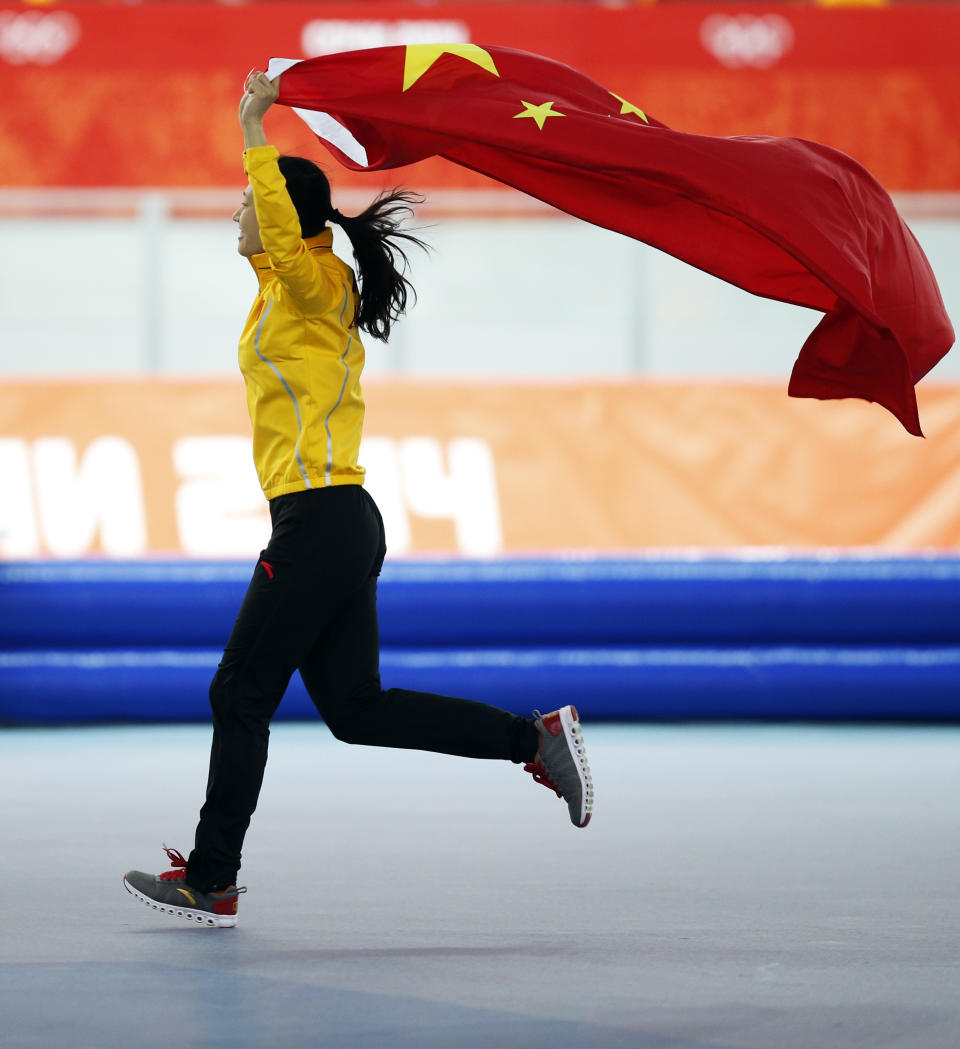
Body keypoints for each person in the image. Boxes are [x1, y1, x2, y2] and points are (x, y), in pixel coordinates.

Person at [122, 71, 594, 928]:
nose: (236, 216)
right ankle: (535, 740)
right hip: (331, 524)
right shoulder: (287, 287)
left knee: (239, 693)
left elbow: (279, 218)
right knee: (355, 709)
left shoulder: (318, 283)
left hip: (322, 521)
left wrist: (254, 125)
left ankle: (213, 876)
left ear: (280, 218)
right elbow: (278, 240)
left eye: (246, 206)